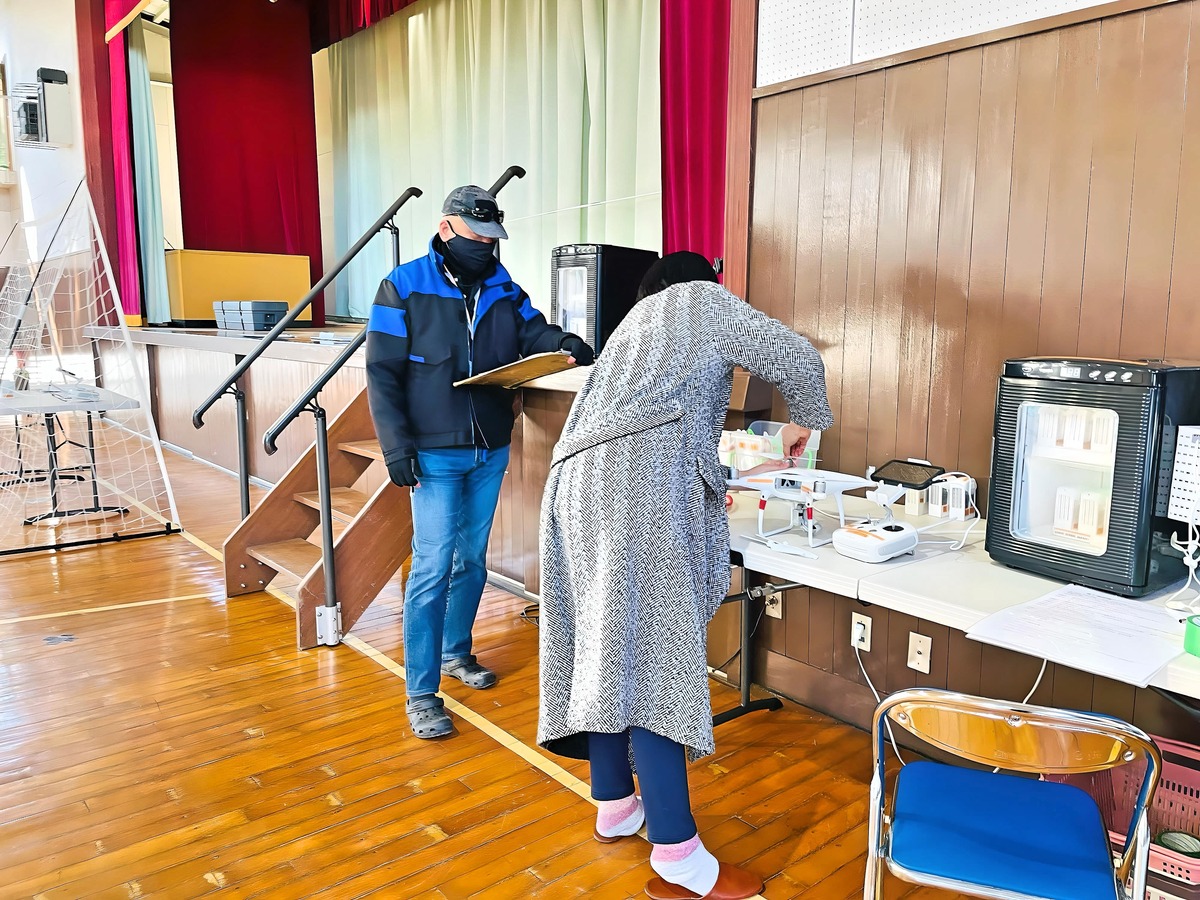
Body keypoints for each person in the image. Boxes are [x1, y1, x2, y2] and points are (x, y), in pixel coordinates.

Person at [537, 251, 833, 900]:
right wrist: (803, 425)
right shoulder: (699, 301)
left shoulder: (636, 324)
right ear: (705, 283)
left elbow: (657, 423)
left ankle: (615, 802)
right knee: (652, 655)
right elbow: (799, 359)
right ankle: (678, 853)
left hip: (575, 488)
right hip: (630, 494)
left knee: (606, 644)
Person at [366, 184, 594, 740]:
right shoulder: (402, 287)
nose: (487, 247)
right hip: (432, 452)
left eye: (494, 238)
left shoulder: (500, 284)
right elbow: (382, 373)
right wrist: (395, 446)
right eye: (477, 236)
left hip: (489, 447)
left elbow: (529, 327)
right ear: (447, 229)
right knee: (431, 567)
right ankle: (421, 695)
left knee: (470, 560)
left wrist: (563, 339)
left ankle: (455, 652)